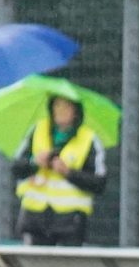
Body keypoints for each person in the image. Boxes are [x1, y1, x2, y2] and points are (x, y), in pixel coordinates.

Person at [11, 94, 108, 245]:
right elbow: (16, 168)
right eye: (57, 105)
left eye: (66, 106)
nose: (61, 110)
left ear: (76, 111)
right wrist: (34, 162)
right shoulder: (37, 130)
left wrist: (68, 173)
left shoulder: (89, 139)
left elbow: (99, 183)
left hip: (70, 223)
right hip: (35, 221)